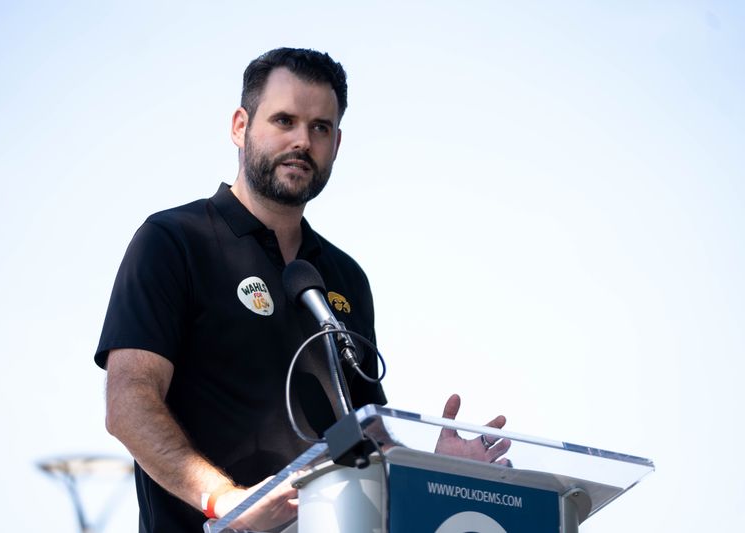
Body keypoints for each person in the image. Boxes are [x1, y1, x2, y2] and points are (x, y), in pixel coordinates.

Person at [95, 47, 510, 533]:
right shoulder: (173, 241)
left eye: (320, 127)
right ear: (239, 126)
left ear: (337, 143)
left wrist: (434, 473)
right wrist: (224, 500)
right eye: (284, 120)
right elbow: (129, 402)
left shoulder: (345, 277)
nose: (302, 141)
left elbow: (363, 440)